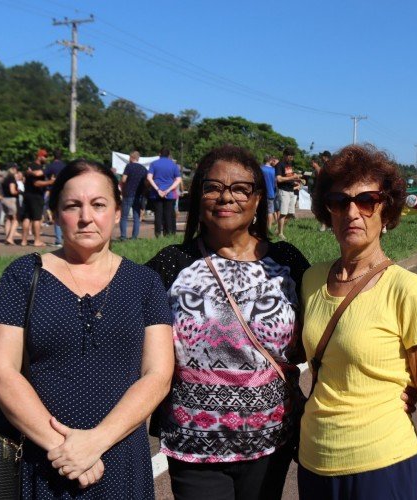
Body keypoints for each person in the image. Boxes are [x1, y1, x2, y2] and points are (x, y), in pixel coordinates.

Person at [0, 159, 174, 499]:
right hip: (42, 459)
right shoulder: (23, 275)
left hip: (120, 457)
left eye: (99, 205)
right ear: (56, 214)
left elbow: (158, 374)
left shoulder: (145, 283)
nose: (86, 217)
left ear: (117, 212)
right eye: (73, 206)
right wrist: (65, 449)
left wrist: (95, 442)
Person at [145, 145, 311, 500]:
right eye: (213, 187)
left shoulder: (287, 262)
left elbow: (326, 334)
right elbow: (124, 330)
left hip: (271, 439)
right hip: (193, 442)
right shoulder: (172, 264)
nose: (226, 197)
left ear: (257, 200)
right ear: (198, 196)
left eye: (240, 188)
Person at [299, 144, 417, 500]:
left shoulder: (408, 290)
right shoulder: (311, 279)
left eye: (367, 200)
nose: (352, 212)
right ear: (327, 211)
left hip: (382, 463)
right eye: (339, 201)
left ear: (387, 211)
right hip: (313, 459)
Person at [147, 148, 182, 237]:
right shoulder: (173, 165)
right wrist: (168, 190)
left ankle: (158, 234)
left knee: (158, 214)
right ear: (169, 154)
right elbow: (178, 179)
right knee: (168, 214)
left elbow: (149, 177)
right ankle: (168, 234)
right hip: (170, 194)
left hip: (156, 193)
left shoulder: (154, 164)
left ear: (159, 154)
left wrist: (158, 189)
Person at [119, 151, 148, 241]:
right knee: (136, 217)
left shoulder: (129, 166)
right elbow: (146, 182)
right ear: (138, 158)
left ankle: (123, 236)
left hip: (128, 193)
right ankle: (134, 237)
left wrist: (122, 188)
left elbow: (123, 179)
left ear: (131, 157)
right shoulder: (143, 169)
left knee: (124, 216)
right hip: (138, 195)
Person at [21, 153, 48, 247]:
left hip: (27, 194)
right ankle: (37, 241)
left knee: (27, 218)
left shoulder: (30, 166)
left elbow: (24, 178)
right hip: (36, 195)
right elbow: (37, 183)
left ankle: (24, 241)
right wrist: (51, 182)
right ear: (39, 156)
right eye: (45, 156)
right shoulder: (38, 167)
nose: (46, 158)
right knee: (37, 218)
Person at [275, 147, 301, 240]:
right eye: (290, 156)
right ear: (285, 155)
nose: (292, 158)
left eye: (293, 156)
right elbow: (279, 179)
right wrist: (292, 178)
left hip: (291, 190)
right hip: (283, 191)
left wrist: (297, 180)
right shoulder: (279, 165)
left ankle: (278, 229)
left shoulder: (289, 165)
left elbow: (290, 176)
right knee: (283, 213)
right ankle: (280, 233)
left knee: (290, 213)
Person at [45, 149, 67, 246]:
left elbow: (44, 175)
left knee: (56, 215)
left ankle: (58, 240)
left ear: (53, 156)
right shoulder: (65, 166)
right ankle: (67, 239)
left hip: (53, 191)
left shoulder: (50, 166)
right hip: (65, 192)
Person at [1, 164, 20, 245]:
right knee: (15, 219)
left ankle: (7, 237)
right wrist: (19, 191)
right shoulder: (11, 178)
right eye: (16, 169)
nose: (17, 171)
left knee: (8, 219)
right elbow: (12, 191)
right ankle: (10, 238)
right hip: (11, 200)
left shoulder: (4, 178)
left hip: (4, 199)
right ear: (12, 169)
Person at [261, 154, 278, 228]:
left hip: (261, 193)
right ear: (270, 160)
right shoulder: (274, 170)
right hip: (271, 193)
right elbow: (275, 183)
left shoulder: (261, 169)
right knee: (270, 211)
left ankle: (260, 225)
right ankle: (269, 227)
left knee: (260, 210)